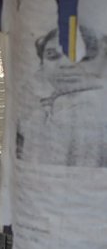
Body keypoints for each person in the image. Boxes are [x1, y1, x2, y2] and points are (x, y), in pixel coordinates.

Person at [16, 26, 107, 167]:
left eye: (76, 54)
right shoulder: (39, 111)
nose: (65, 64)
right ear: (42, 64)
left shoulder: (93, 107)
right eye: (52, 55)